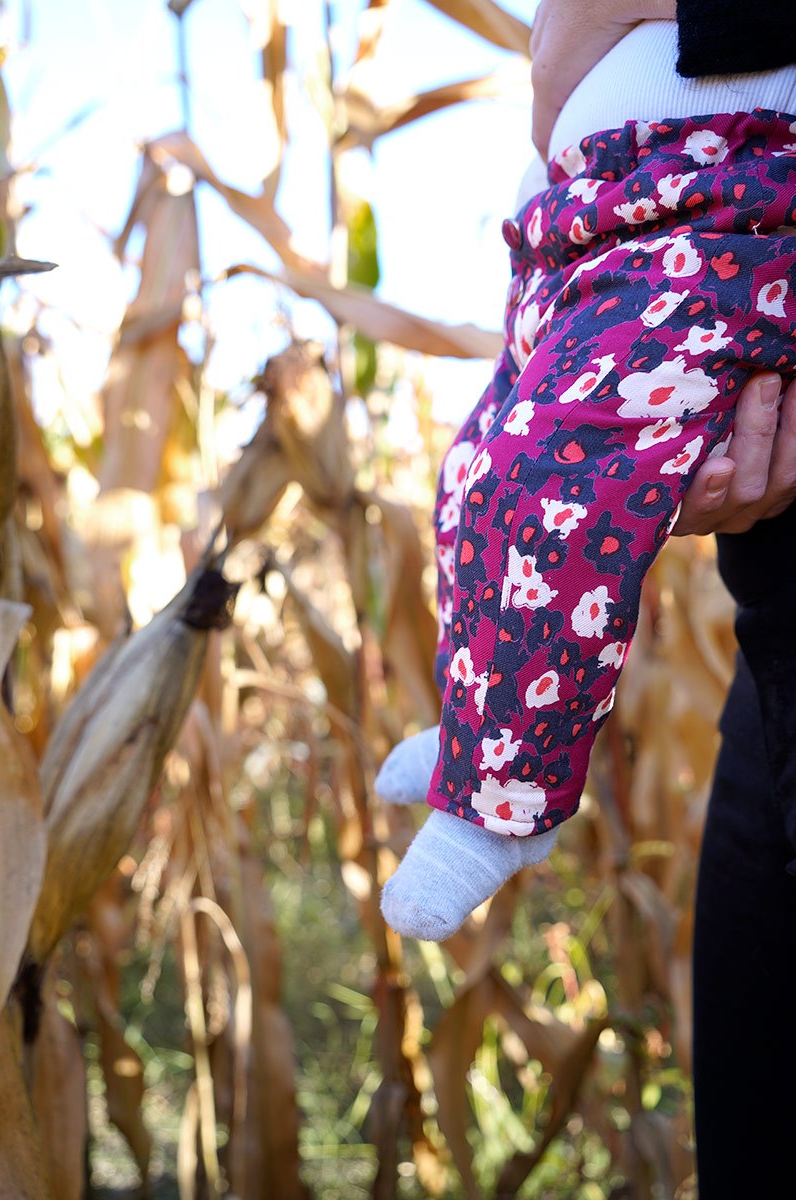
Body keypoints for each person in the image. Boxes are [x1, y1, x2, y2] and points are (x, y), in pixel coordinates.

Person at [376, 2, 796, 951]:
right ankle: (481, 734)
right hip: (611, 214)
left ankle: (501, 803)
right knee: (478, 473)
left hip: (719, 198)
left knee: (555, 480)